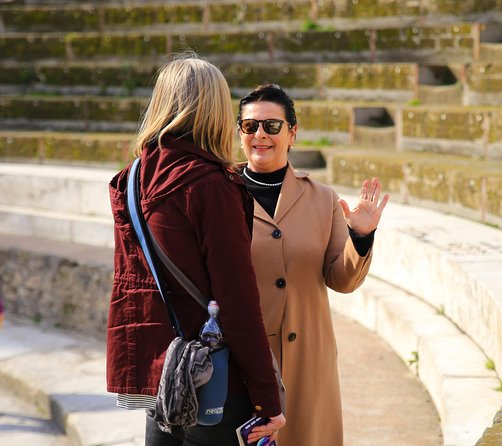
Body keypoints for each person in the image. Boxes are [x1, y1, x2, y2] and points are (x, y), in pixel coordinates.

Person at [106, 54, 285, 446]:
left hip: (163, 374)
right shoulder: (210, 186)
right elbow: (236, 300)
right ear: (215, 110)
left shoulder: (132, 178)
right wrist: (268, 397)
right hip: (214, 382)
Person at [237, 84, 389, 445]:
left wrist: (361, 237)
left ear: (292, 133)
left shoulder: (322, 199)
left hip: (309, 361)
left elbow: (343, 279)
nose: (260, 135)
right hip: (244, 362)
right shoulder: (221, 193)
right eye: (249, 126)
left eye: (272, 126)